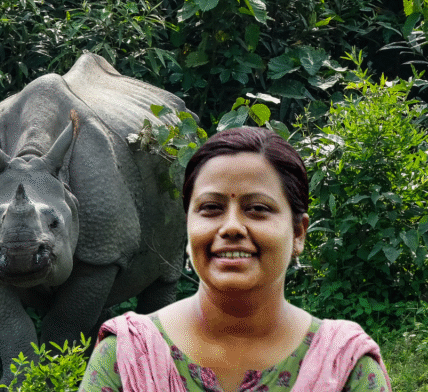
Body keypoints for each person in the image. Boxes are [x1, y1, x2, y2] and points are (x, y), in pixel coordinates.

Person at [78, 126, 392, 392]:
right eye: (211, 208)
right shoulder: (128, 356)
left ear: (298, 233)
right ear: (188, 226)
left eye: (257, 208)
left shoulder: (346, 367)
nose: (230, 227)